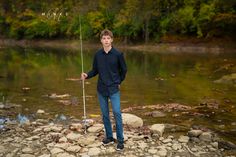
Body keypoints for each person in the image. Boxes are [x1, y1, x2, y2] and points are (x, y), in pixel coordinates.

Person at [80, 29, 127, 151]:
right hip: (101, 89)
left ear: (111, 40)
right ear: (101, 40)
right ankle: (110, 137)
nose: (106, 40)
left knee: (117, 113)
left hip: (114, 88)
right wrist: (87, 75)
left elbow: (124, 70)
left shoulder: (118, 54)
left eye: (108, 38)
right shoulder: (98, 55)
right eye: (104, 38)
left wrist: (118, 82)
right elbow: (95, 70)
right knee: (105, 115)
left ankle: (120, 140)